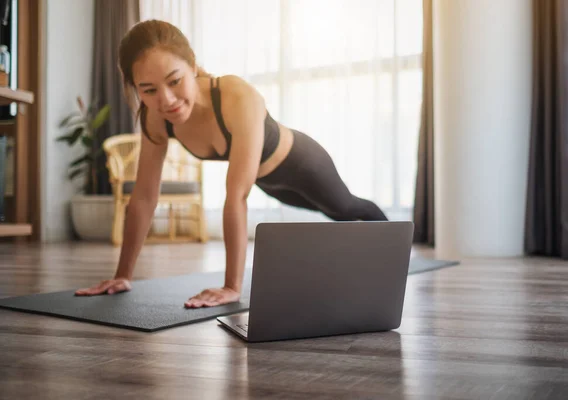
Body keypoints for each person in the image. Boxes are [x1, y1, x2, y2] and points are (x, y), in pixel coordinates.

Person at [75, 20, 388, 308]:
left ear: (193, 65)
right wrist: (122, 275)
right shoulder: (155, 119)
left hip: (304, 165)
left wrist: (231, 287)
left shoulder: (236, 97)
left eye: (175, 80)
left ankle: (394, 241)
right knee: (331, 214)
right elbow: (144, 197)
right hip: (269, 181)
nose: (166, 99)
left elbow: (236, 196)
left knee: (345, 210)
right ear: (135, 88)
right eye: (149, 90)